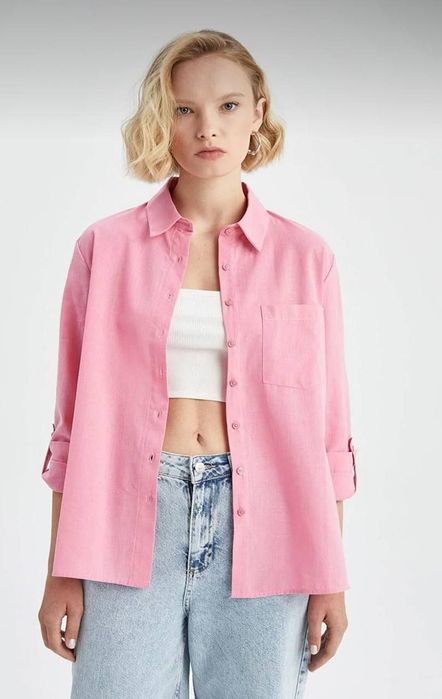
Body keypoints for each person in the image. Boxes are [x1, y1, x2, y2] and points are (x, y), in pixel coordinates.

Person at [37, 28, 358, 699]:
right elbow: (70, 429)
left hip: (270, 531)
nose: (208, 127)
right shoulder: (104, 250)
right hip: (126, 522)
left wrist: (330, 575)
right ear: (164, 119)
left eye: (228, 106)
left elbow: (328, 439)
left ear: (257, 113)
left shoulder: (308, 260)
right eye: (184, 109)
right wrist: (60, 568)